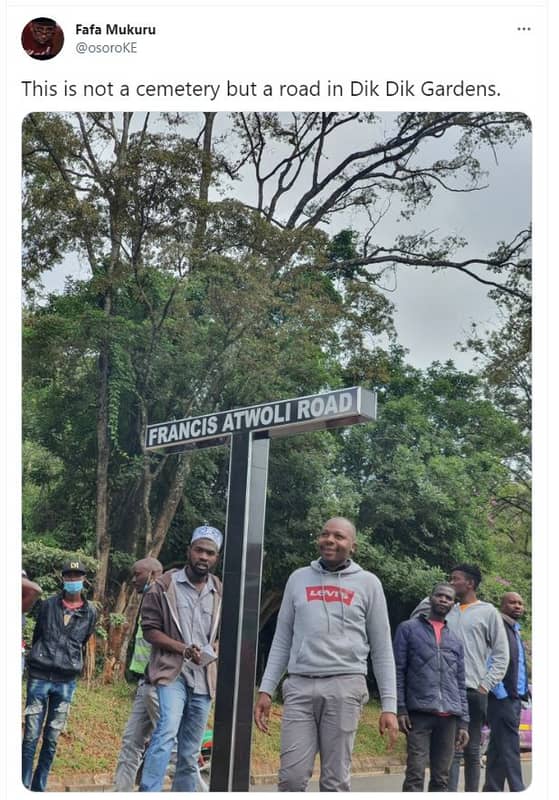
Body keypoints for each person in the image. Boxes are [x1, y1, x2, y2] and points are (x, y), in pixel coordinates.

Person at [254, 516, 398, 792]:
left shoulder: (369, 584)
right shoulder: (298, 578)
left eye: (339, 537)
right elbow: (283, 638)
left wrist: (389, 705)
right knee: (291, 778)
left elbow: (382, 649)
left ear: (353, 546)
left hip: (345, 686)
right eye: (325, 534)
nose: (330, 540)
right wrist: (266, 689)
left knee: (335, 780)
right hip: (299, 685)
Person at [138, 525, 223, 792]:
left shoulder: (220, 590)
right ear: (189, 551)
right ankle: (149, 791)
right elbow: (150, 630)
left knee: (190, 750)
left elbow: (225, 633)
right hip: (172, 673)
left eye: (210, 553)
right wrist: (183, 649)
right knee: (166, 733)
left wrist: (214, 649)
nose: (204, 557)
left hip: (204, 678)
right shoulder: (164, 586)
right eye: (199, 550)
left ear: (216, 557)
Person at [412, 563, 509, 792]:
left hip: (474, 690)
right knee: (451, 751)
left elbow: (501, 654)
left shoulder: (488, 612)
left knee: (472, 750)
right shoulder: (447, 608)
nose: (451, 582)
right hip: (445, 689)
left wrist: (485, 685)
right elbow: (415, 618)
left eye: (455, 579)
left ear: (470, 583)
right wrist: (433, 595)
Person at [22, 558, 97, 792]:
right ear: (63, 579)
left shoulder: (89, 612)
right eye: (68, 576)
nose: (72, 580)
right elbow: (38, 635)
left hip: (66, 682)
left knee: (52, 738)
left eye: (77, 577)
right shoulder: (48, 605)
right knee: (31, 736)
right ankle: (22, 785)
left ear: (84, 580)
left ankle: (39, 787)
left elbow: (82, 642)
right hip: (39, 677)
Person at [394, 583, 469, 791]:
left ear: (454, 604)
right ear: (431, 598)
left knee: (441, 778)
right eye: (440, 596)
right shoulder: (408, 629)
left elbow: (460, 682)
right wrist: (400, 708)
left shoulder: (455, 640)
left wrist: (463, 723)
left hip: (450, 717)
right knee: (415, 774)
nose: (444, 600)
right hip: (419, 713)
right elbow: (398, 671)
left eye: (449, 598)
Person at [112, 557, 164, 791]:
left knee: (170, 746)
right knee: (131, 742)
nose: (134, 580)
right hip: (145, 681)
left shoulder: (163, 597)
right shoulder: (147, 597)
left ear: (153, 574)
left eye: (138, 574)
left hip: (160, 683)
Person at [482, 591, 529, 792]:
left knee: (498, 748)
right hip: (502, 699)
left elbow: (518, 666)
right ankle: (519, 789)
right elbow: (489, 660)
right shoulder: (498, 627)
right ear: (502, 605)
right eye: (512, 602)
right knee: (510, 746)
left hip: (514, 698)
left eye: (520, 603)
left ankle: (492, 790)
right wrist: (499, 693)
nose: (517, 606)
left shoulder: (514, 629)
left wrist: (524, 693)